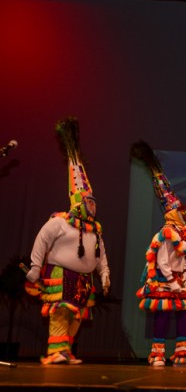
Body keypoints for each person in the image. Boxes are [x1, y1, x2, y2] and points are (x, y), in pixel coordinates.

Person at [25, 116, 111, 365]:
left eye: (93, 202)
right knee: (61, 312)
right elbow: (41, 241)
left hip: (84, 280)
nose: (92, 206)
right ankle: (55, 352)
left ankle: (66, 351)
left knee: (76, 317)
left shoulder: (95, 229)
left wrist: (105, 273)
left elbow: (101, 254)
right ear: (78, 202)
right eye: (88, 202)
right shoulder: (60, 222)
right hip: (61, 275)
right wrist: (35, 267)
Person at [132, 140, 186, 367]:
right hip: (164, 279)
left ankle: (183, 354)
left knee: (184, 315)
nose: (184, 213)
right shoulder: (166, 233)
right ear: (172, 213)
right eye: (180, 211)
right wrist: (171, 281)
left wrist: (185, 273)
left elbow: (182, 258)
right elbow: (162, 260)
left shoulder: (183, 233)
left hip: (178, 278)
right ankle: (157, 355)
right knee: (162, 317)